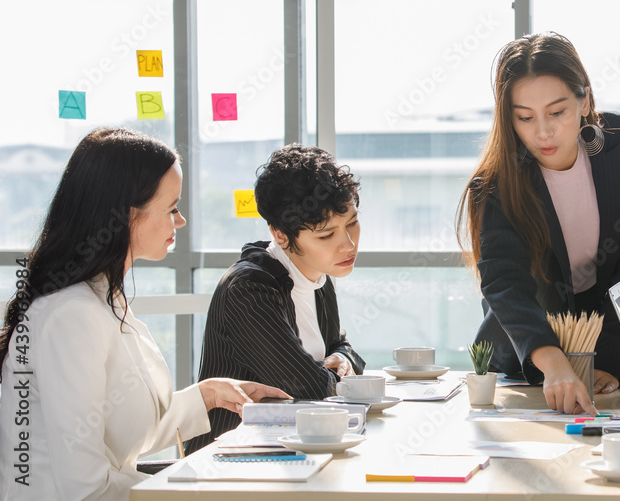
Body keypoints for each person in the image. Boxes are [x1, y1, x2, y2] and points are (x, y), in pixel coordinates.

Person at [0, 128, 289, 501]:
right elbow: (85, 488)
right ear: (126, 215)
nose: (180, 221)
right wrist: (201, 492)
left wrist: (208, 395)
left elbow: (122, 431)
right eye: (171, 208)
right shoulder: (70, 316)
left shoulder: (103, 300)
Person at [457, 32, 620, 416]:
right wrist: (553, 361)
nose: (543, 132)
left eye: (557, 112)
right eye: (525, 117)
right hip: (525, 354)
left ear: (584, 102)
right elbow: (505, 283)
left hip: (608, 343)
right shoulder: (496, 184)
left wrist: (610, 361)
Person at [187, 144, 366, 452]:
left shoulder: (318, 274)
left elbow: (341, 346)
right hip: (233, 461)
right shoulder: (249, 290)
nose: (348, 244)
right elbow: (309, 391)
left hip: (298, 450)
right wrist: (341, 375)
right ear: (280, 234)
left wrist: (343, 360)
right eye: (326, 235)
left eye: (352, 223)